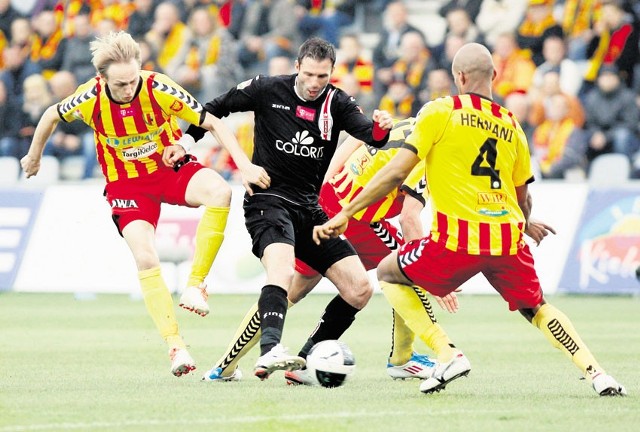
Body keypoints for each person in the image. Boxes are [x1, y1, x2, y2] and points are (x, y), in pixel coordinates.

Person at [314, 42, 627, 397]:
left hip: (457, 241)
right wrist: (526, 222)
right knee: (537, 307)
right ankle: (598, 373)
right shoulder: (512, 126)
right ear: (494, 76)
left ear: (458, 77)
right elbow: (522, 196)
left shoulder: (439, 111)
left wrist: (346, 212)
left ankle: (446, 353)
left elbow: (394, 173)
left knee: (389, 272)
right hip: (507, 238)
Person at [20, 31, 270, 378]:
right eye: (120, 84)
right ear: (102, 79)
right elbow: (49, 115)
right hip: (127, 185)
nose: (128, 89)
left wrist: (243, 165)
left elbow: (211, 121)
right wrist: (34, 157)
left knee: (220, 192)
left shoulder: (157, 87)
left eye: (132, 80)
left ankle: (196, 285)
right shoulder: (88, 98)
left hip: (168, 169)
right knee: (145, 256)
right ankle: (175, 346)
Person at [181, 37, 394, 381]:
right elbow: (214, 108)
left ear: (331, 74)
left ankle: (309, 358)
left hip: (310, 210)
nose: (314, 84)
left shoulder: (337, 103)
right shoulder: (267, 89)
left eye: (322, 77)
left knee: (360, 288)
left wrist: (382, 128)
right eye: (308, 74)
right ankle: (270, 351)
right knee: (280, 270)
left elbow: (372, 136)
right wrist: (185, 143)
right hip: (268, 199)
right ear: (297, 67)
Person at [200, 118, 460, 383]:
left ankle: (227, 367)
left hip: (335, 201)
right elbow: (409, 218)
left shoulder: (411, 123)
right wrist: (434, 275)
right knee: (407, 268)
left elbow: (358, 136)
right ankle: (401, 359)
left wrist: (326, 181)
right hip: (351, 217)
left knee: (298, 288)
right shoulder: (431, 150)